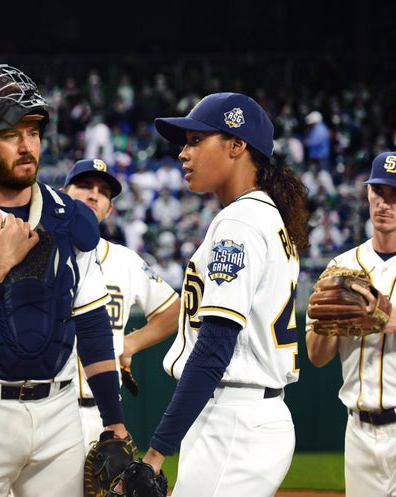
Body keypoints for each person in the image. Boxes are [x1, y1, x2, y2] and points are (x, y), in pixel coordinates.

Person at [0, 64, 128, 497]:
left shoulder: (69, 218)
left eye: (33, 132)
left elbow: (92, 326)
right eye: (10, 134)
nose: (26, 146)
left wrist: (114, 422)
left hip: (60, 413)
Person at [130, 92, 310, 496]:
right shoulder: (263, 216)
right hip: (240, 415)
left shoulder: (241, 221)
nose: (183, 153)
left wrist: (155, 453)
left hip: (236, 417)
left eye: (196, 140)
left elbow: (214, 349)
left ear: (236, 145)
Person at [62, 158, 180, 451]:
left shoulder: (124, 260)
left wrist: (128, 345)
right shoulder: (34, 248)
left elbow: (174, 311)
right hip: (45, 408)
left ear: (109, 209)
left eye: (103, 192)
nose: (94, 195)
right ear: (63, 195)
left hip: (100, 415)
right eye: (85, 186)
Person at [305, 151, 396, 497]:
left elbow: (384, 320)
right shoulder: (340, 268)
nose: (385, 204)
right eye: (379, 193)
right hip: (358, 431)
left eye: (394, 196)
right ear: (369, 195)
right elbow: (316, 356)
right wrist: (333, 324)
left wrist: (380, 316)